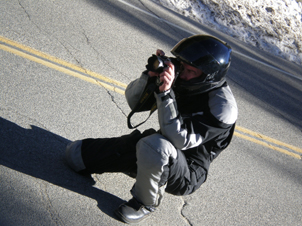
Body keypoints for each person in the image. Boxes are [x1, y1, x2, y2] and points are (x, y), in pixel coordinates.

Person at [65, 34, 238, 224]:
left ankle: (144, 203)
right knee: (75, 156)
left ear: (208, 75)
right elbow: (134, 103)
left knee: (155, 145)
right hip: (155, 148)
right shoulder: (183, 78)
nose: (184, 74)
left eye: (191, 71)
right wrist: (149, 78)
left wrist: (164, 94)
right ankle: (144, 168)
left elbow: (179, 140)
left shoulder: (223, 108)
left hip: (186, 170)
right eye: (182, 66)